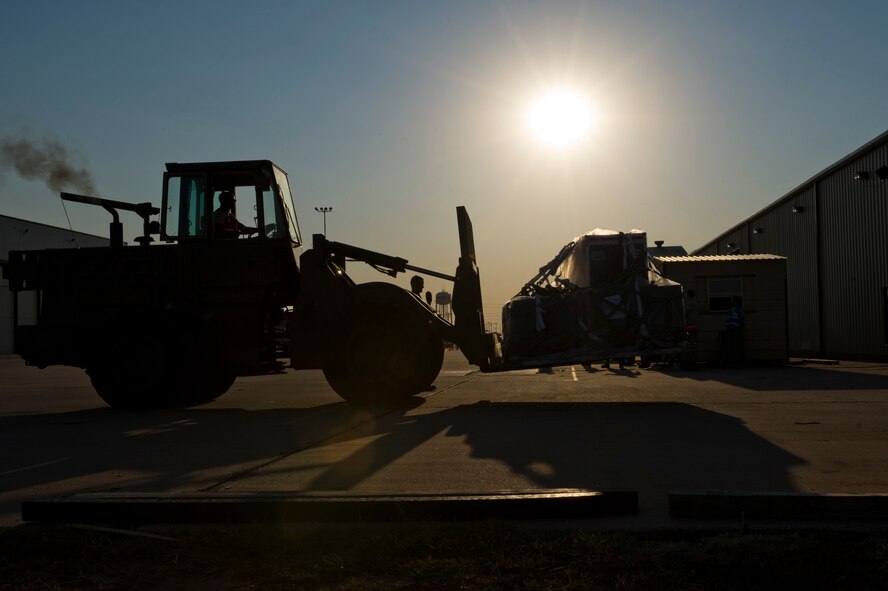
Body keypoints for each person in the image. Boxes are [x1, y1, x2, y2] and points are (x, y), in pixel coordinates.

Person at [724, 296, 744, 366]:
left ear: (735, 301)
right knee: (729, 346)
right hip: (729, 330)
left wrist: (741, 330)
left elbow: (742, 320)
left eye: (731, 299)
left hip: (736, 330)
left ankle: (737, 363)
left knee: (736, 346)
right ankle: (730, 362)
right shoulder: (729, 309)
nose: (730, 301)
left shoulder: (739, 309)